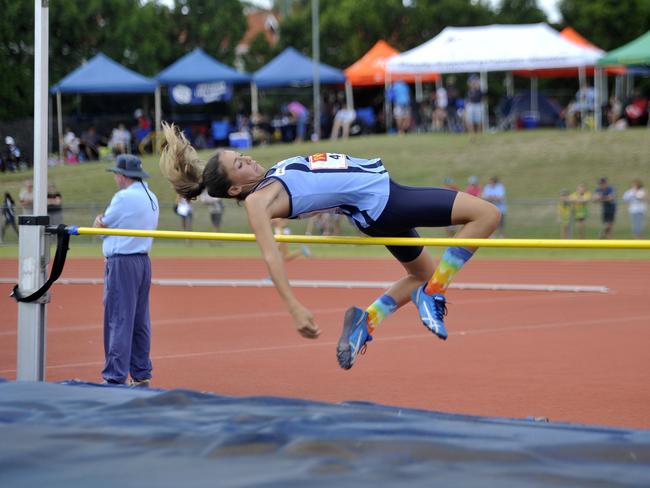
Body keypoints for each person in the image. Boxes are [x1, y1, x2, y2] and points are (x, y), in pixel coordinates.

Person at [159, 122, 500, 370]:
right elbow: (269, 253)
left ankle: (364, 323)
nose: (247, 159)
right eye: (240, 164)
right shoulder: (258, 201)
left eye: (242, 155)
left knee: (421, 273)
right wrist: (293, 306)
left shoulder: (270, 176)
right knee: (486, 214)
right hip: (384, 202)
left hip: (378, 201)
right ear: (235, 190)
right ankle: (435, 292)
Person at [93, 154, 159, 386]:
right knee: (140, 321)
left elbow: (101, 229)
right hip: (142, 261)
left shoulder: (123, 197)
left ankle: (114, 377)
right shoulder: (151, 196)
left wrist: (99, 221)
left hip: (123, 261)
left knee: (118, 319)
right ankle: (141, 374)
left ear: (121, 176)